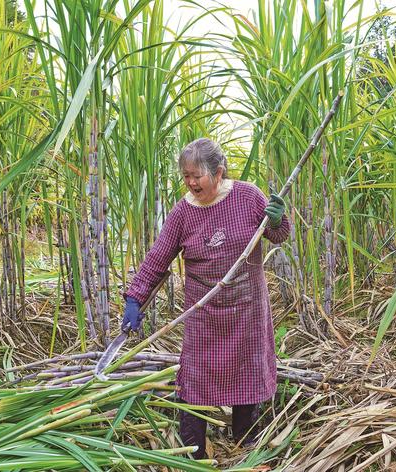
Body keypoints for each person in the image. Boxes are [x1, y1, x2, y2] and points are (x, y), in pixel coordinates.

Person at [122, 138, 290, 459]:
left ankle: (245, 445)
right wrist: (134, 298)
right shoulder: (183, 213)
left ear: (219, 173)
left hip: (247, 309)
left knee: (247, 373)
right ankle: (194, 453)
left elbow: (277, 235)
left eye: (196, 175)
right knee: (195, 380)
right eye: (186, 176)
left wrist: (278, 218)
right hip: (204, 314)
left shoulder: (248, 196)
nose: (190, 182)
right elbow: (158, 258)